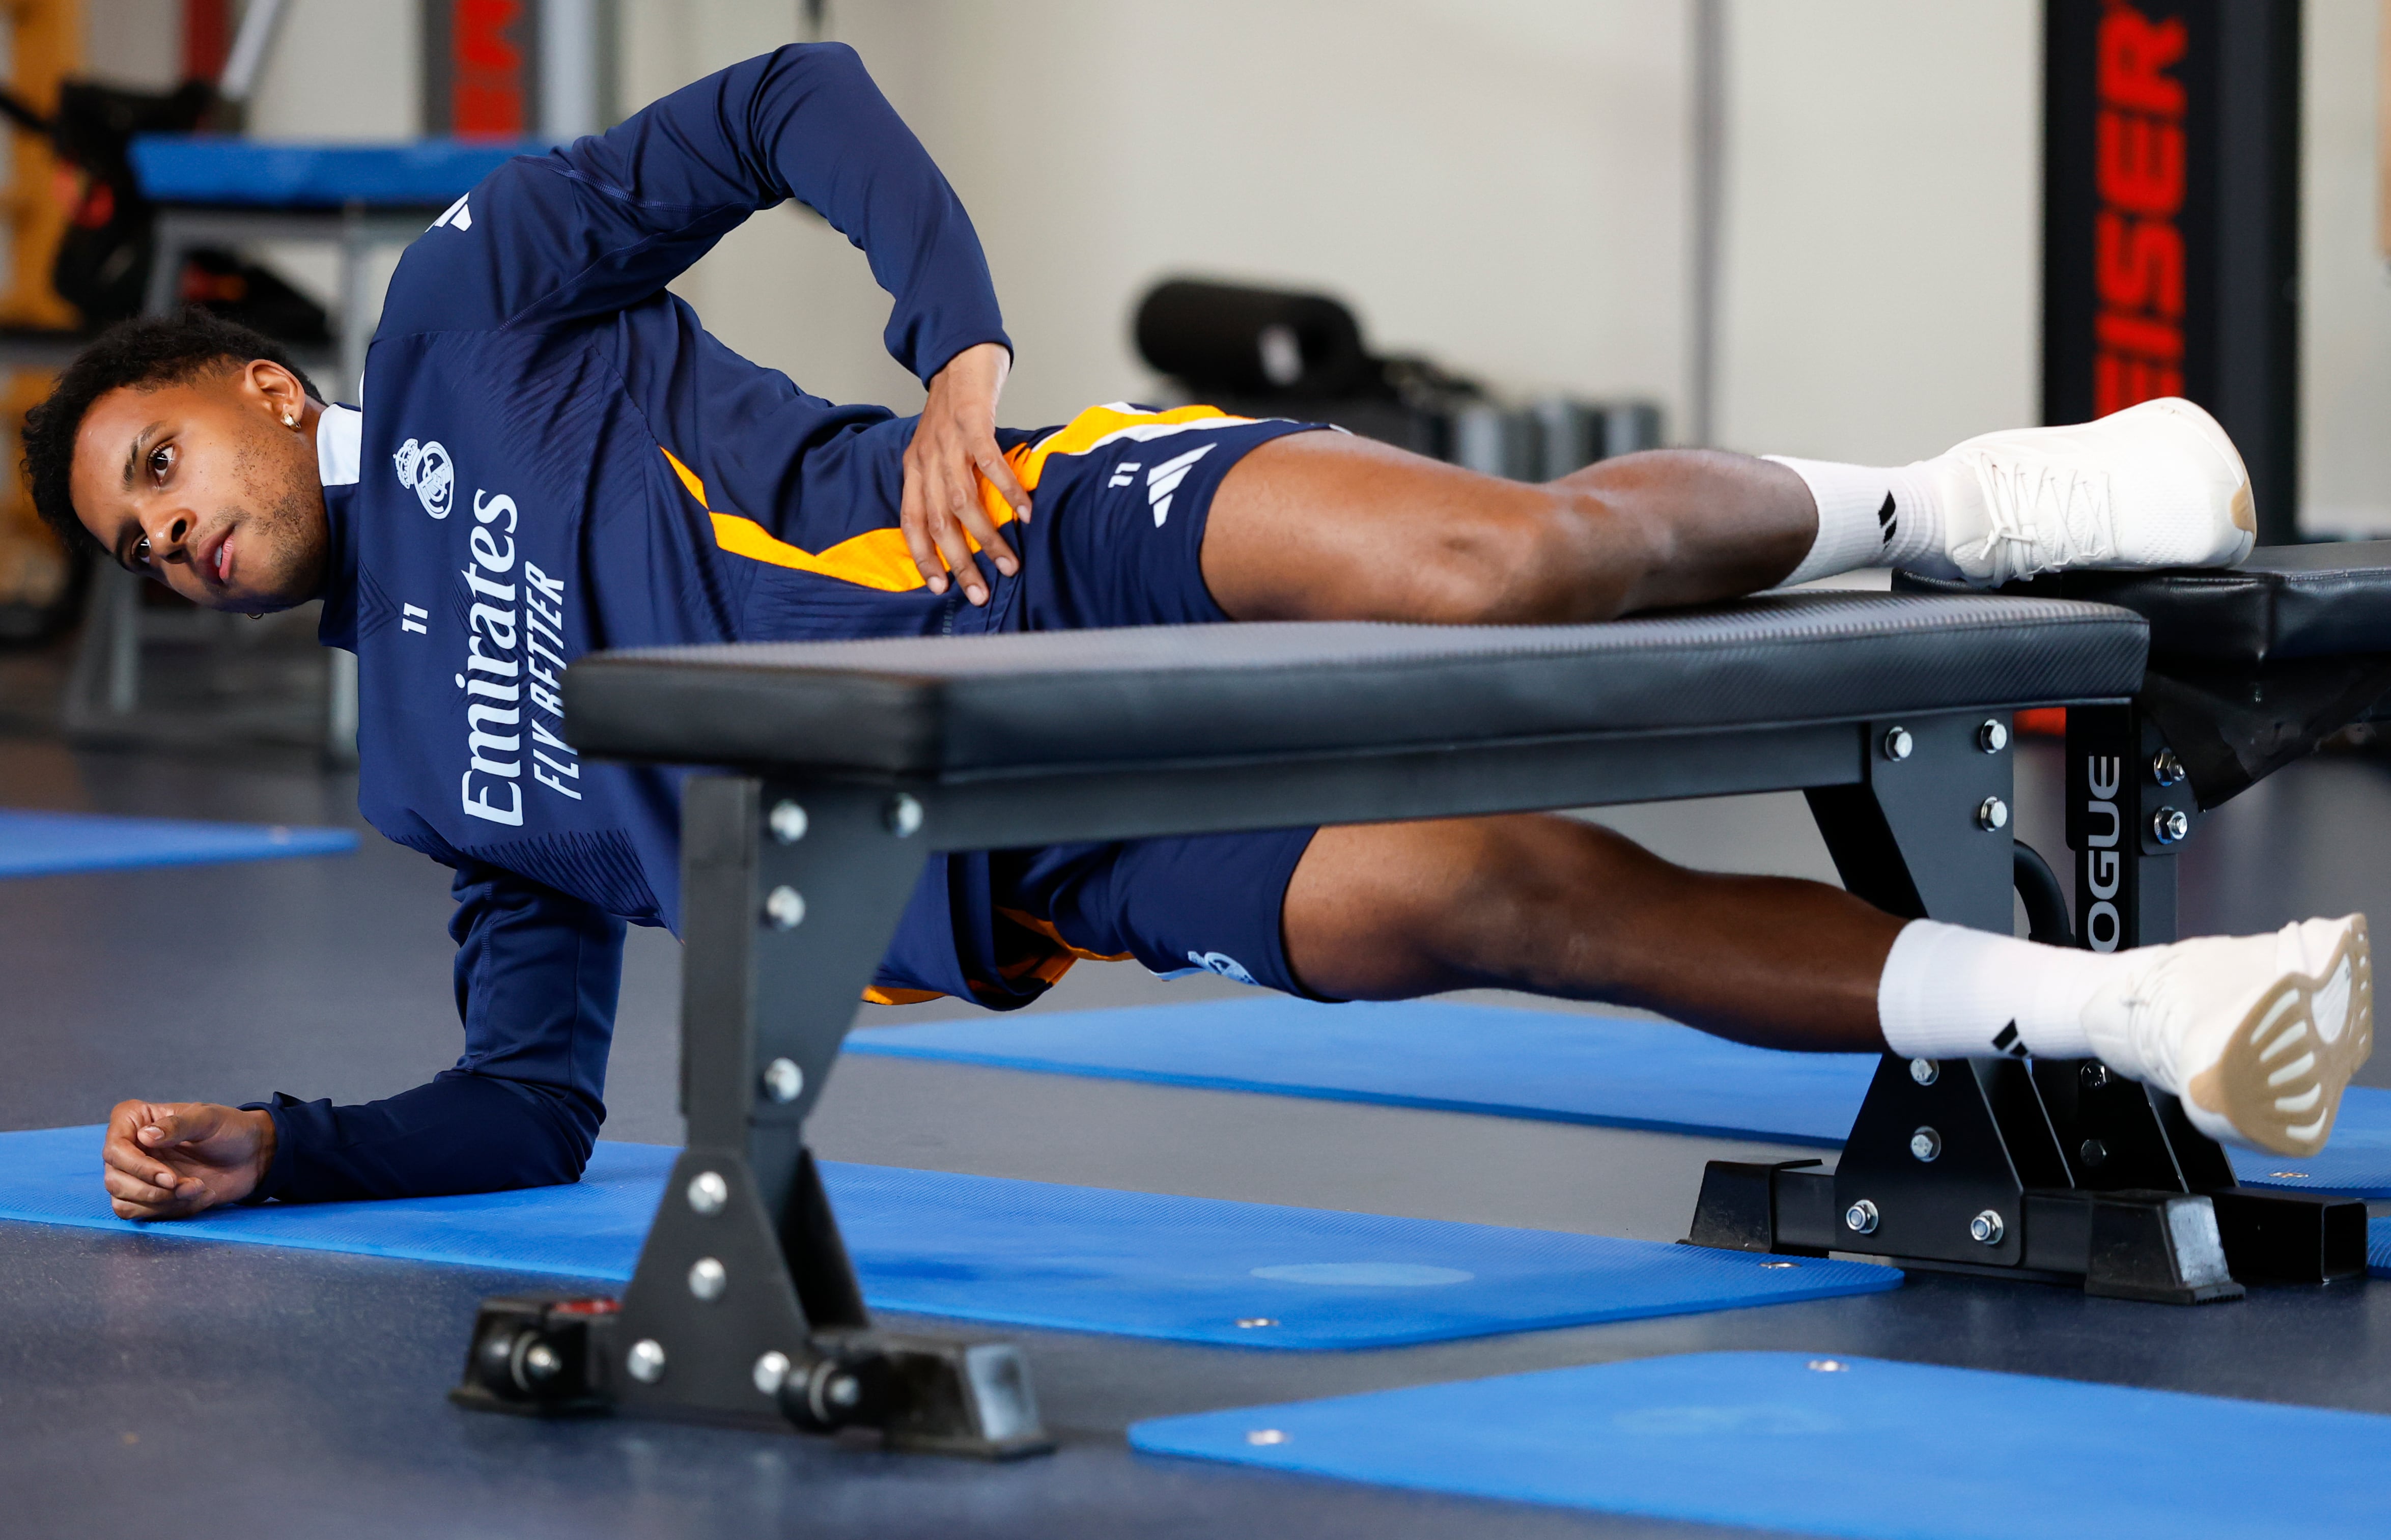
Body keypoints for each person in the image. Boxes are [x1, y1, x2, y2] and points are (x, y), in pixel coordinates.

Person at [21, 45, 2366, 1223]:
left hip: (1049, 544)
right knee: (1494, 900)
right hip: (1026, 849)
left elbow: (790, 104)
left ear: (248, 387)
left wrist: (949, 350)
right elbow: (534, 1105)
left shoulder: (460, 308)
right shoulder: (429, 776)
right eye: (135, 556)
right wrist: (296, 1152)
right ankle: (2126, 1014)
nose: (175, 541)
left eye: (158, 476)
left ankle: (1946, 502)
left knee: (1503, 568)